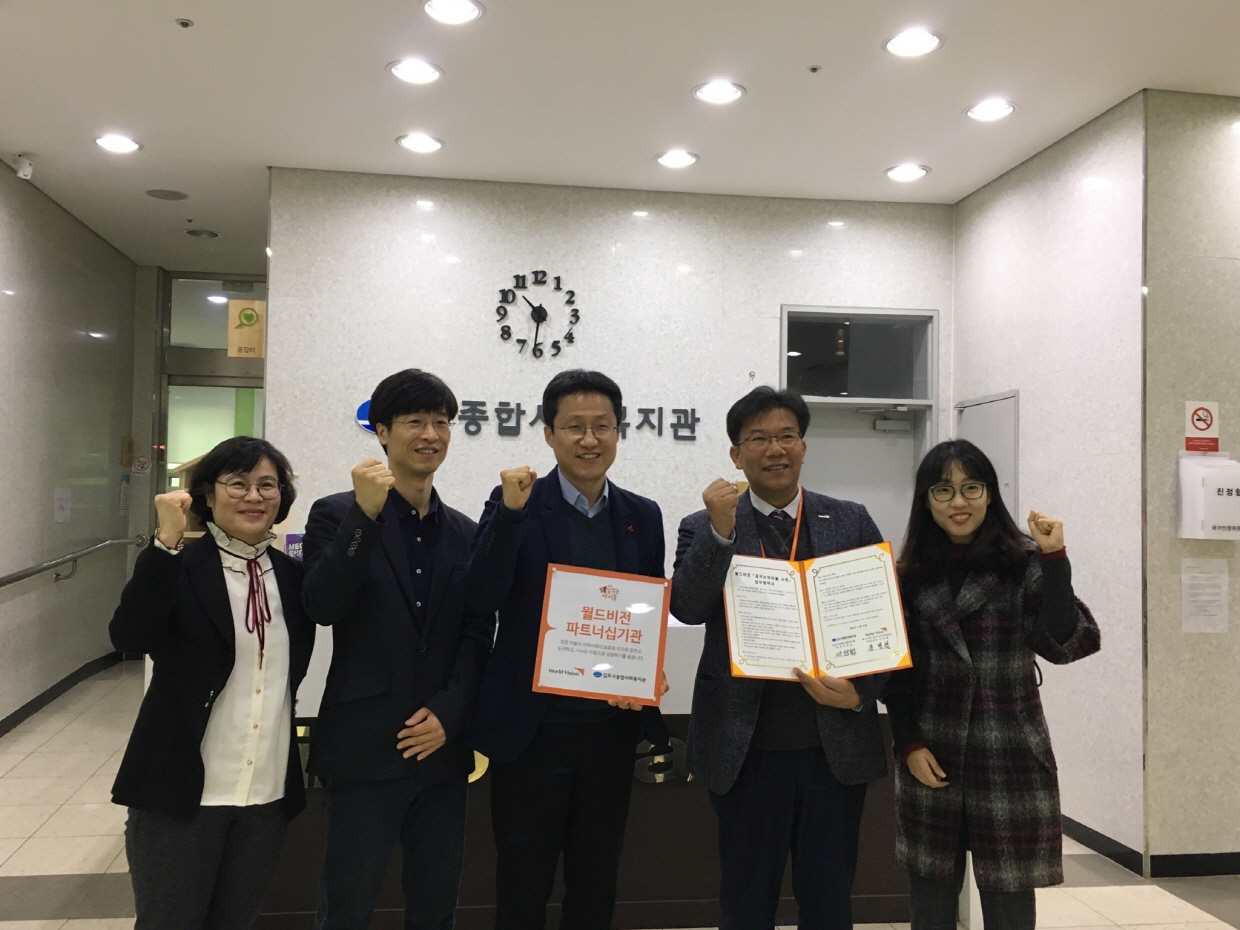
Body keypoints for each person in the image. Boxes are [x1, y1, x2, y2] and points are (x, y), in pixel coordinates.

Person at [670, 385, 889, 930]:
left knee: (829, 900)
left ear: (804, 447)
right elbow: (689, 608)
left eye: (787, 436)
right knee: (746, 900)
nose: (775, 449)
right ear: (736, 453)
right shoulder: (703, 525)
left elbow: (885, 622)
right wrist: (720, 532)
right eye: (759, 439)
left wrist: (861, 693)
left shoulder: (850, 520)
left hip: (832, 749)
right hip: (745, 751)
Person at [467, 369, 668, 930]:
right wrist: (509, 515)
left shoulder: (642, 515)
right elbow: (480, 596)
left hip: (608, 730)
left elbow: (645, 609)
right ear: (549, 434)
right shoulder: (516, 503)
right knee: (522, 881)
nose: (589, 439)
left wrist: (646, 670)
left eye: (602, 426)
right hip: (531, 730)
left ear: (618, 432)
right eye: (574, 426)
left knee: (596, 878)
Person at [301, 369, 494, 930]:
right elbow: (323, 605)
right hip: (364, 747)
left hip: (441, 752)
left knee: (436, 906)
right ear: (382, 431)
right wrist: (364, 516)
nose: (430, 434)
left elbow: (477, 633)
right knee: (347, 905)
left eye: (441, 422)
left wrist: (449, 714)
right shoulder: (337, 514)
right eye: (414, 422)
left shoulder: (465, 532)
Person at [883, 439, 1101, 930]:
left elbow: (1065, 644)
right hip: (930, 751)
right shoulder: (907, 574)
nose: (958, 502)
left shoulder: (1024, 561)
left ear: (989, 494)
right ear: (926, 500)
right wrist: (909, 743)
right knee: (931, 905)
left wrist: (1056, 560)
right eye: (943, 490)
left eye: (971, 488)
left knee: (1009, 908)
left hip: (1008, 749)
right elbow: (897, 674)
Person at [109, 436, 314, 930]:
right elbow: (131, 636)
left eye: (267, 485)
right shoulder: (179, 565)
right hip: (184, 794)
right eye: (237, 484)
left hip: (265, 796)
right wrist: (165, 542)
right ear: (207, 493)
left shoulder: (293, 578)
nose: (254, 496)